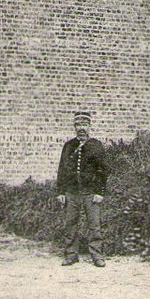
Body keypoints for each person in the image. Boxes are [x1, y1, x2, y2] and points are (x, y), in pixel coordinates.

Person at [56, 110, 108, 267]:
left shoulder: (96, 146)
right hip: (72, 192)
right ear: (74, 127)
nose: (81, 128)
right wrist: (60, 191)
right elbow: (62, 169)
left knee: (94, 224)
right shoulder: (69, 146)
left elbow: (103, 171)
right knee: (70, 224)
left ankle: (97, 255)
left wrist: (100, 192)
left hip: (90, 192)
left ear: (90, 126)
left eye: (84, 124)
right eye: (78, 125)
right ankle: (71, 254)